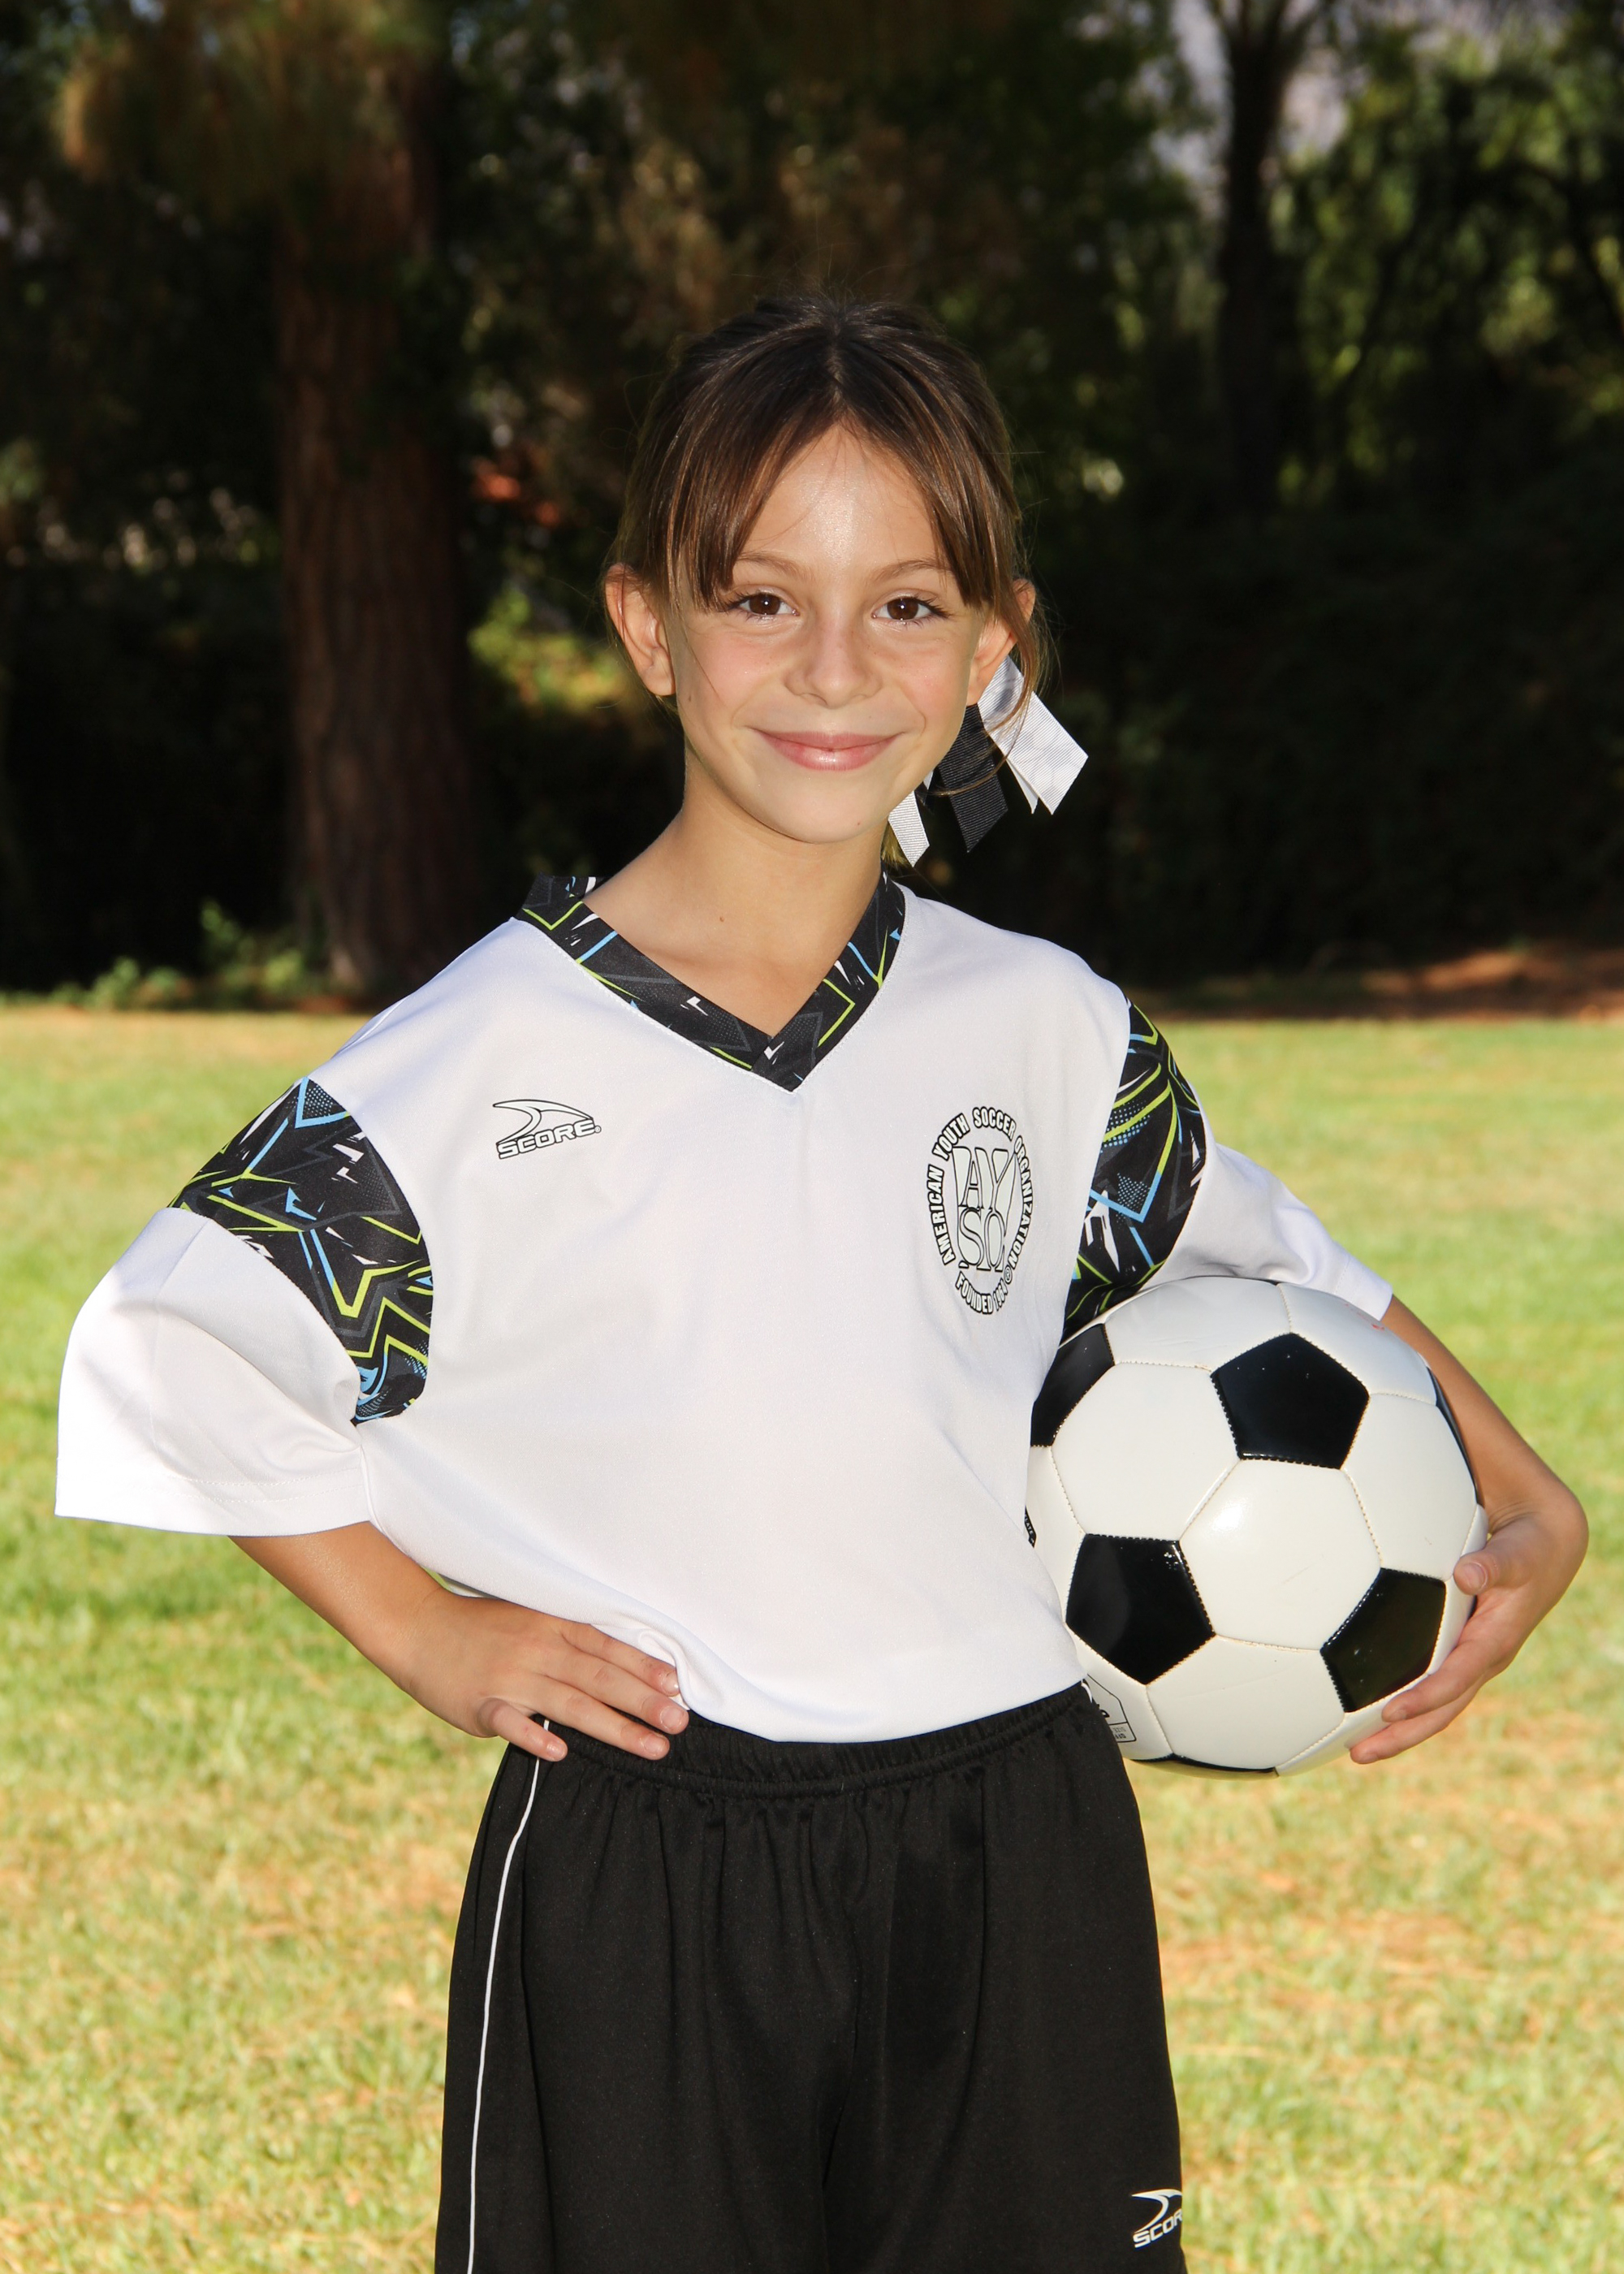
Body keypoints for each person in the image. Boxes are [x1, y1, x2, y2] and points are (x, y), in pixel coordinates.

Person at [56, 297, 1587, 2274]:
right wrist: (424, 1629)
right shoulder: (482, 1057)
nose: (836, 667)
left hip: (1016, 1840)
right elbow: (172, 1338)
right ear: (646, 624)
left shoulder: (1040, 1025)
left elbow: (1272, 1260)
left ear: (995, 643)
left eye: (907, 604)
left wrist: (1526, 1492)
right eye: (762, 598)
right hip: (654, 1864)